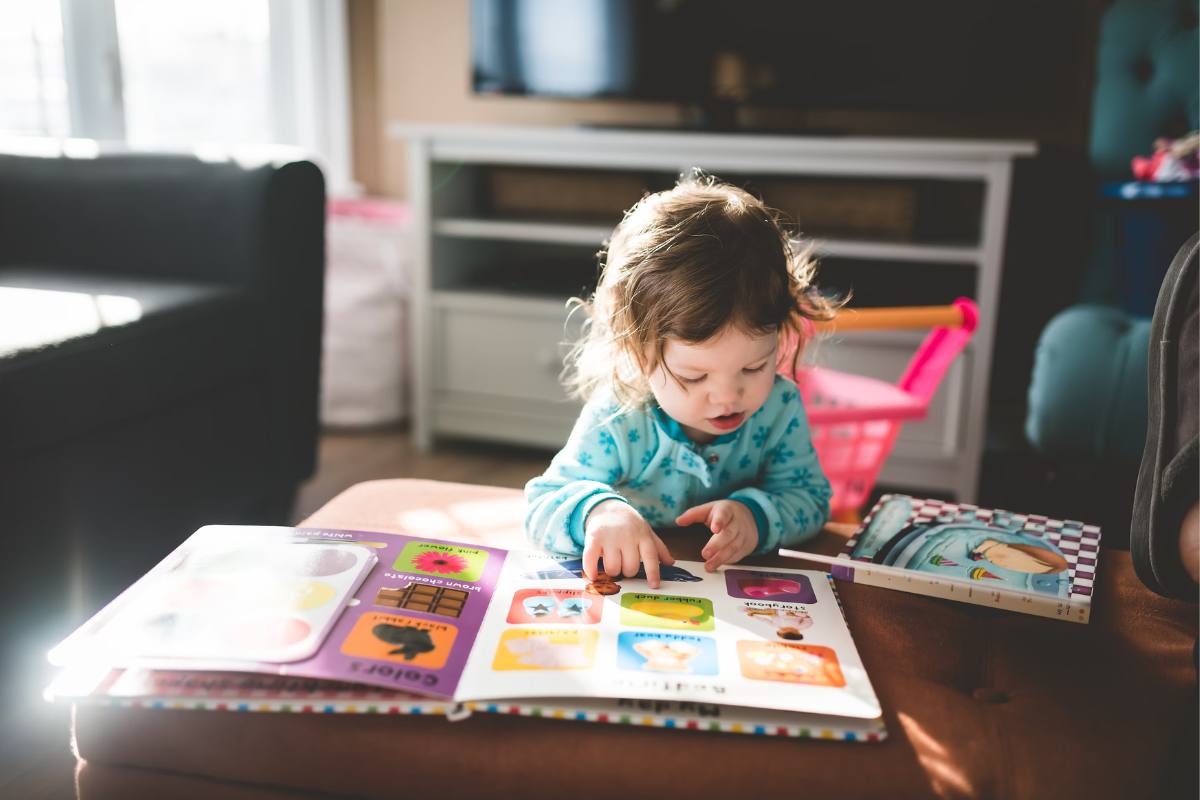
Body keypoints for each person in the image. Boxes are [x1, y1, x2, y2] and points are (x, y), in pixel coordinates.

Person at [524, 175, 837, 588]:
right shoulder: (619, 415)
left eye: (754, 367)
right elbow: (543, 503)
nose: (728, 396)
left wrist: (755, 516)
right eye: (694, 376)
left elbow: (810, 500)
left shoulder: (778, 409)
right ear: (637, 353)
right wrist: (600, 512)